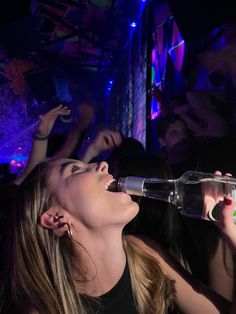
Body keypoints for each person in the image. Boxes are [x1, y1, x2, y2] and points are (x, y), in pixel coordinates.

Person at [0, 157, 232, 314]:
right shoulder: (44, 308)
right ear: (56, 219)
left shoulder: (145, 252)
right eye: (75, 170)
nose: (102, 163)